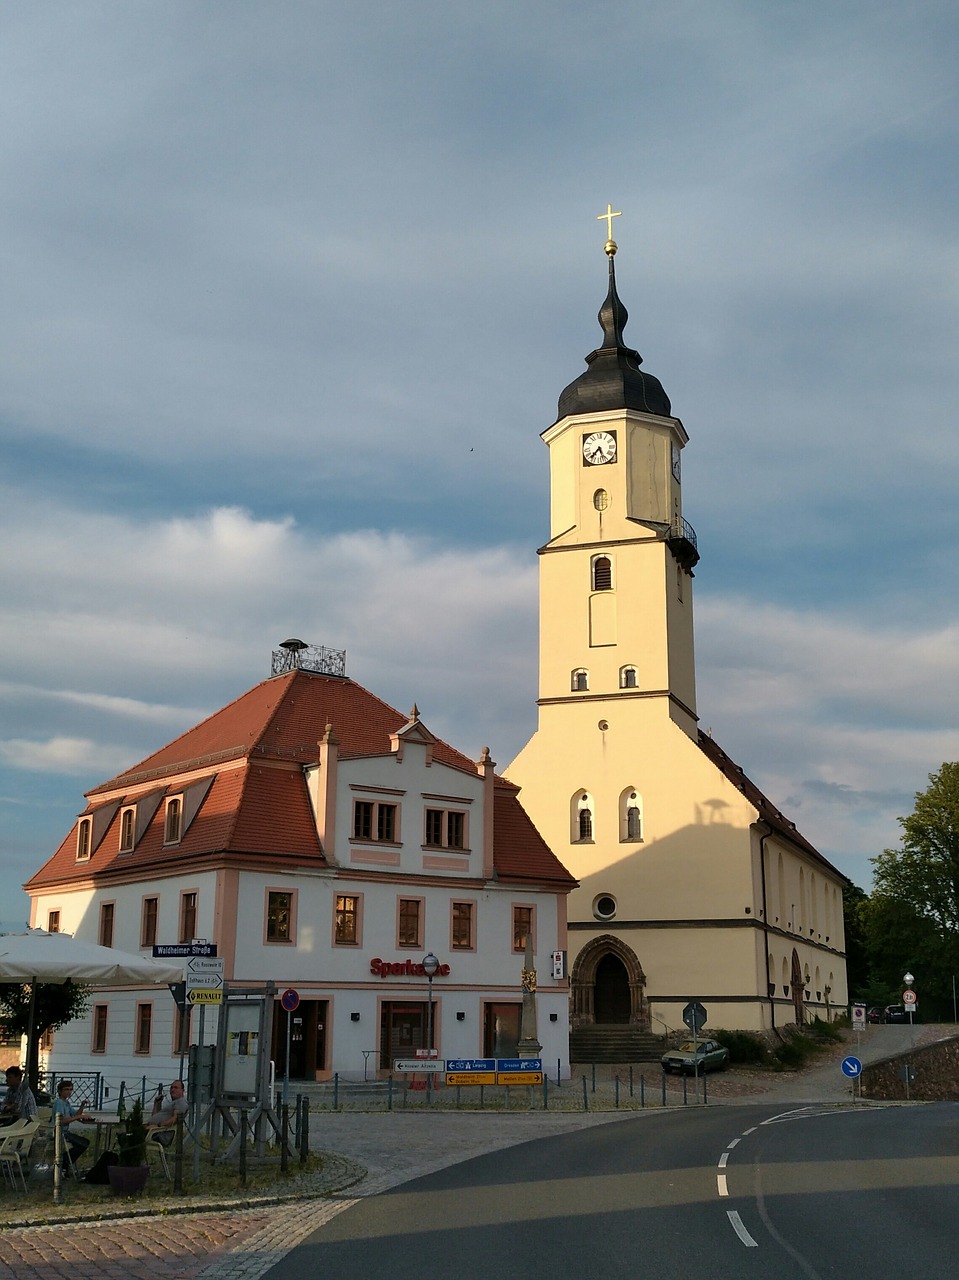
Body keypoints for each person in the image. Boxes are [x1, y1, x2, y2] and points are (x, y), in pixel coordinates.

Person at [52, 1079, 90, 1173]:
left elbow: (75, 1115)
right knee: (83, 1144)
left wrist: (82, 1106)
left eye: (70, 1089)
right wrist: (80, 1116)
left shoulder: (66, 1103)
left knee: (84, 1142)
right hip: (60, 1132)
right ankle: (64, 1161)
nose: (69, 1092)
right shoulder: (59, 1103)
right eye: (66, 1089)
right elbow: (61, 1120)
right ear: (60, 1091)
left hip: (65, 1132)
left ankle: (65, 1162)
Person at [145, 1079, 187, 1147]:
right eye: (171, 1087)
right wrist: (156, 1103)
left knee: (130, 1136)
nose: (173, 1090)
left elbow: (175, 1119)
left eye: (176, 1087)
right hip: (154, 1130)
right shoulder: (173, 1103)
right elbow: (154, 1117)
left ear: (182, 1090)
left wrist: (158, 1126)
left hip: (160, 1134)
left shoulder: (181, 1102)